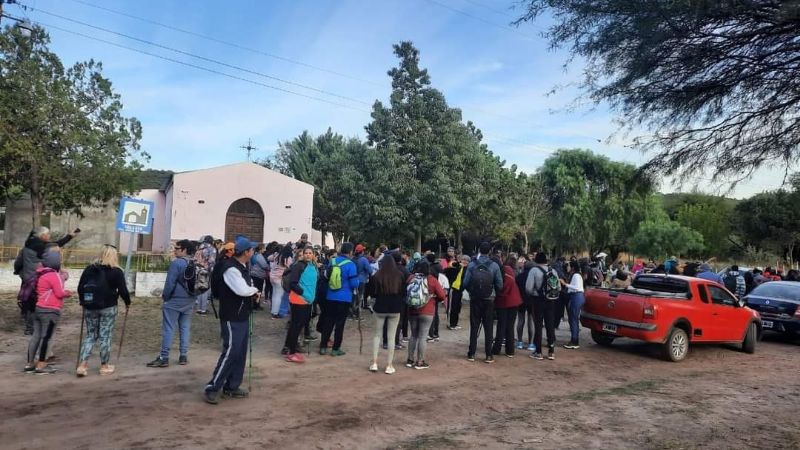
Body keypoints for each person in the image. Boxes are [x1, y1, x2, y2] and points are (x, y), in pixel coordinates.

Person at [204, 236, 260, 405]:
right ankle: (212, 387)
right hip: (231, 316)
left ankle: (232, 385)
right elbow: (242, 290)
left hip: (242, 314)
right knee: (231, 352)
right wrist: (255, 290)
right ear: (246, 252)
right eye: (252, 249)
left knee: (240, 352)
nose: (253, 251)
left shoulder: (242, 266)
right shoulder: (231, 269)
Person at [76, 245, 131, 377]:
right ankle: (104, 366)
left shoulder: (90, 269)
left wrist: (83, 302)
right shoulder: (116, 271)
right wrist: (127, 303)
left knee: (90, 335)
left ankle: (82, 365)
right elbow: (123, 290)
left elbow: (80, 287)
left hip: (90, 306)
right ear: (114, 256)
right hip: (108, 307)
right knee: (105, 336)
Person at [15, 227, 79, 335]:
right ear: (42, 235)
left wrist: (19, 272)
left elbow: (19, 262)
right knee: (40, 301)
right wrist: (69, 236)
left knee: (29, 301)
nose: (49, 236)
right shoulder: (42, 246)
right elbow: (56, 244)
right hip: (39, 277)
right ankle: (38, 326)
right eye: (48, 234)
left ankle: (29, 326)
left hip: (27, 277)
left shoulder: (27, 245)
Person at [147, 239, 197, 368]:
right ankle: (183, 356)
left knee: (169, 328)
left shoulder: (177, 264)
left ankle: (164, 357)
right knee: (185, 328)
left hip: (174, 300)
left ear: (185, 249)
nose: (174, 250)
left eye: (177, 248)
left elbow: (170, 283)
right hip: (190, 300)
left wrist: (166, 297)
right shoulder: (194, 263)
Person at [25, 248, 73, 374]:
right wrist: (68, 293)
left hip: (38, 308)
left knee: (36, 336)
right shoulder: (54, 275)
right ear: (56, 262)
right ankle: (41, 365)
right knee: (47, 337)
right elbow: (59, 293)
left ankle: (30, 364)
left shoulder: (39, 273)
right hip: (51, 311)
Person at [463, 241, 503, 364]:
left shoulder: (472, 264)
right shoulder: (494, 265)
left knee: (474, 326)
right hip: (489, 299)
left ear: (479, 250)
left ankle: (472, 353)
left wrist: (472, 291)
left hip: (475, 298)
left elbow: (465, 283)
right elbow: (500, 284)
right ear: (490, 251)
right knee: (488, 326)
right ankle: (488, 355)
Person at [318, 242, 360, 356]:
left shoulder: (333, 261)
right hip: (344, 298)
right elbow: (353, 284)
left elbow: (325, 276)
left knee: (328, 321)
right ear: (351, 252)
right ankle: (336, 349)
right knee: (339, 324)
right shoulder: (351, 265)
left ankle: (323, 346)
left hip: (330, 296)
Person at [369, 252, 407, 374]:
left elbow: (372, 293)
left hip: (380, 307)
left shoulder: (377, 276)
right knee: (391, 338)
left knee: (377, 335)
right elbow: (403, 292)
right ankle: (389, 365)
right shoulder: (400, 275)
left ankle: (374, 363)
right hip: (395, 308)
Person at [405, 260, 446, 370]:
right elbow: (442, 296)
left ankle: (410, 359)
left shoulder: (411, 278)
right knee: (423, 337)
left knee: (413, 335)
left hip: (412, 310)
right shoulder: (432, 280)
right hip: (427, 311)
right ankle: (420, 362)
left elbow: (406, 293)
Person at [283, 246, 319, 363]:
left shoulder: (313, 266)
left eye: (310, 253)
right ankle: (291, 352)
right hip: (299, 300)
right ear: (303, 254)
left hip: (308, 301)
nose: (308, 255)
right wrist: (303, 294)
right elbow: (293, 283)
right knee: (295, 326)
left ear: (313, 255)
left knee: (299, 325)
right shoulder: (299, 266)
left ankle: (289, 347)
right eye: (306, 253)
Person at [526, 252, 557, 360]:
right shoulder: (553, 270)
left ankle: (538, 351)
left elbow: (528, 288)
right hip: (551, 300)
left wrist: (535, 292)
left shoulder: (534, 270)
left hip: (538, 300)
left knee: (538, 325)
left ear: (536, 261)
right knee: (550, 324)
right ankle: (551, 351)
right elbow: (559, 288)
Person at [492, 256, 523, 357]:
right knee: (510, 325)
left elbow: (498, 287)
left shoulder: (496, 273)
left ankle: (496, 349)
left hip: (502, 301)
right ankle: (510, 350)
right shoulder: (509, 270)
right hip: (514, 300)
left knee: (501, 325)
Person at [560, 261, 585, 349]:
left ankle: (574, 340)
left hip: (576, 296)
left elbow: (576, 287)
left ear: (573, 267)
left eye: (569, 266)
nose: (567, 267)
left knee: (573, 319)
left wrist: (565, 284)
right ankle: (574, 339)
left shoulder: (576, 275)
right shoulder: (576, 275)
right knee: (573, 319)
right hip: (576, 296)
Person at [268, 243, 294, 319]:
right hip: (280, 278)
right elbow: (291, 266)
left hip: (272, 277)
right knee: (279, 296)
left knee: (274, 294)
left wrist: (275, 254)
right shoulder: (288, 258)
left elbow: (269, 258)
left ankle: (273, 311)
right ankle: (275, 313)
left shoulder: (277, 255)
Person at [444, 254, 469, 330]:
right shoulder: (456, 266)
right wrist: (457, 265)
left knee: (458, 308)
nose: (465, 261)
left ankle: (455, 323)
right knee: (452, 307)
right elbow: (447, 269)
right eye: (463, 259)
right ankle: (450, 324)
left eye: (467, 260)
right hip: (453, 289)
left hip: (460, 290)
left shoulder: (467, 269)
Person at [515, 258, 535, 351]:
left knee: (520, 320)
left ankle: (519, 342)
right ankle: (531, 343)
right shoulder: (533, 277)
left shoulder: (519, 276)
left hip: (521, 300)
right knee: (531, 321)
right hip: (531, 301)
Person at [195, 236, 217, 315]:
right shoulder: (212, 249)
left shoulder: (199, 248)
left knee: (199, 288)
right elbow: (212, 261)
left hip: (197, 270)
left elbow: (195, 259)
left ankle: (198, 309)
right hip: (206, 271)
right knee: (205, 290)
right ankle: (203, 310)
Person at [249, 244, 269, 310]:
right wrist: (269, 267)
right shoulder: (259, 256)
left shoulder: (254, 255)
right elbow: (264, 265)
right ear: (261, 249)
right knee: (258, 291)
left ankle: (254, 305)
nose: (265, 250)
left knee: (255, 290)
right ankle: (256, 305)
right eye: (264, 248)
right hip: (258, 274)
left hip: (253, 273)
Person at [353, 244, 372, 314]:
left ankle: (352, 312)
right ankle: (357, 313)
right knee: (359, 297)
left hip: (353, 280)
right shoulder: (364, 259)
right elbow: (370, 270)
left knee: (354, 297)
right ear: (362, 252)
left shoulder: (353, 259)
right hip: (361, 281)